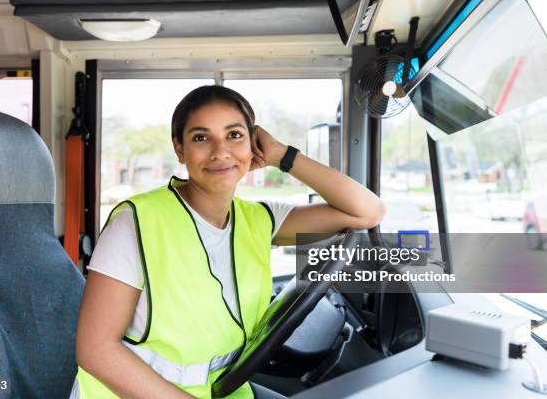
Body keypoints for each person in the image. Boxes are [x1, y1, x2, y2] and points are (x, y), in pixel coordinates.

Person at [72, 85, 386, 399]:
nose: (220, 151)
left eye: (235, 135)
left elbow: (367, 212)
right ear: (180, 150)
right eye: (200, 137)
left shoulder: (261, 219)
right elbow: (95, 350)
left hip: (224, 387)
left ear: (253, 144)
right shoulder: (135, 221)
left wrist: (282, 155)